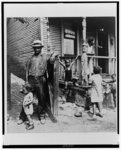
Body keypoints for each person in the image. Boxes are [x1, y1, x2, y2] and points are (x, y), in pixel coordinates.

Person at [18, 39, 57, 124]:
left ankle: (42, 115)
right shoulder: (30, 59)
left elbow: (55, 54)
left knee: (42, 98)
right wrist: (27, 81)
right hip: (31, 79)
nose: (36, 49)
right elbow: (27, 71)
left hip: (41, 80)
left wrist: (53, 56)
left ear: (41, 48)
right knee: (27, 98)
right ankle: (22, 116)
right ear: (33, 49)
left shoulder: (45, 56)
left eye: (38, 48)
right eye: (35, 48)